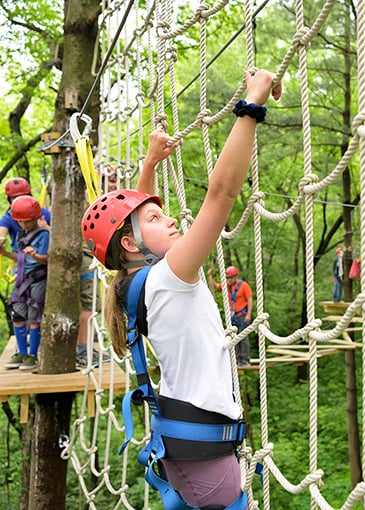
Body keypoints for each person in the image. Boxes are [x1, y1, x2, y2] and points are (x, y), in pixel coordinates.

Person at [81, 69, 280, 509]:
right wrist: (250, 107)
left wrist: (149, 166)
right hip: (203, 453)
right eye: (156, 218)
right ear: (131, 245)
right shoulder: (168, 278)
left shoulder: (136, 282)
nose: (170, 218)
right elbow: (222, 194)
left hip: (187, 446)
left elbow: (136, 228)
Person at [4, 196, 50, 370]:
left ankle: (32, 356)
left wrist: (35, 255)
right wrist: (5, 253)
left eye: (27, 221)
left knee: (34, 318)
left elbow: (47, 259)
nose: (24, 225)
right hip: (21, 279)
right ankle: (22, 353)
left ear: (35, 218)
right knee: (17, 316)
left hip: (37, 280)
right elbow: (20, 256)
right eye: (21, 222)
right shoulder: (21, 233)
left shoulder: (44, 234)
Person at [0, 177, 51, 263]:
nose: (20, 200)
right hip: (21, 261)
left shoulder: (43, 214)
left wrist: (47, 228)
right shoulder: (9, 218)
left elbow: (59, 238)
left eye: (23, 196)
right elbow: (2, 234)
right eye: (15, 198)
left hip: (42, 263)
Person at [224, 266, 253, 367]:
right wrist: (211, 276)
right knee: (234, 338)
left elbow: (249, 299)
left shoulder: (244, 286)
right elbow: (214, 286)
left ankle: (245, 359)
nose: (229, 280)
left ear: (236, 277)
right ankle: (236, 359)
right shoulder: (227, 286)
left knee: (243, 337)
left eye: (231, 277)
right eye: (228, 278)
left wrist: (249, 314)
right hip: (233, 316)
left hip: (242, 315)